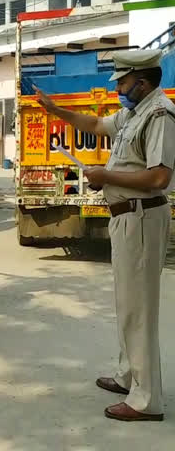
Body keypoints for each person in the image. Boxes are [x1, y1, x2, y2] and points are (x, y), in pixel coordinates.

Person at [35, 49, 174, 422]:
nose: (118, 89)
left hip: (142, 218)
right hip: (126, 218)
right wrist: (55, 111)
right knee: (127, 304)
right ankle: (130, 376)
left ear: (142, 82)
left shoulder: (160, 114)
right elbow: (95, 125)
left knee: (139, 308)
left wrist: (106, 176)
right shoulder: (134, 112)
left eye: (123, 83)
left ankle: (146, 401)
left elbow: (160, 176)